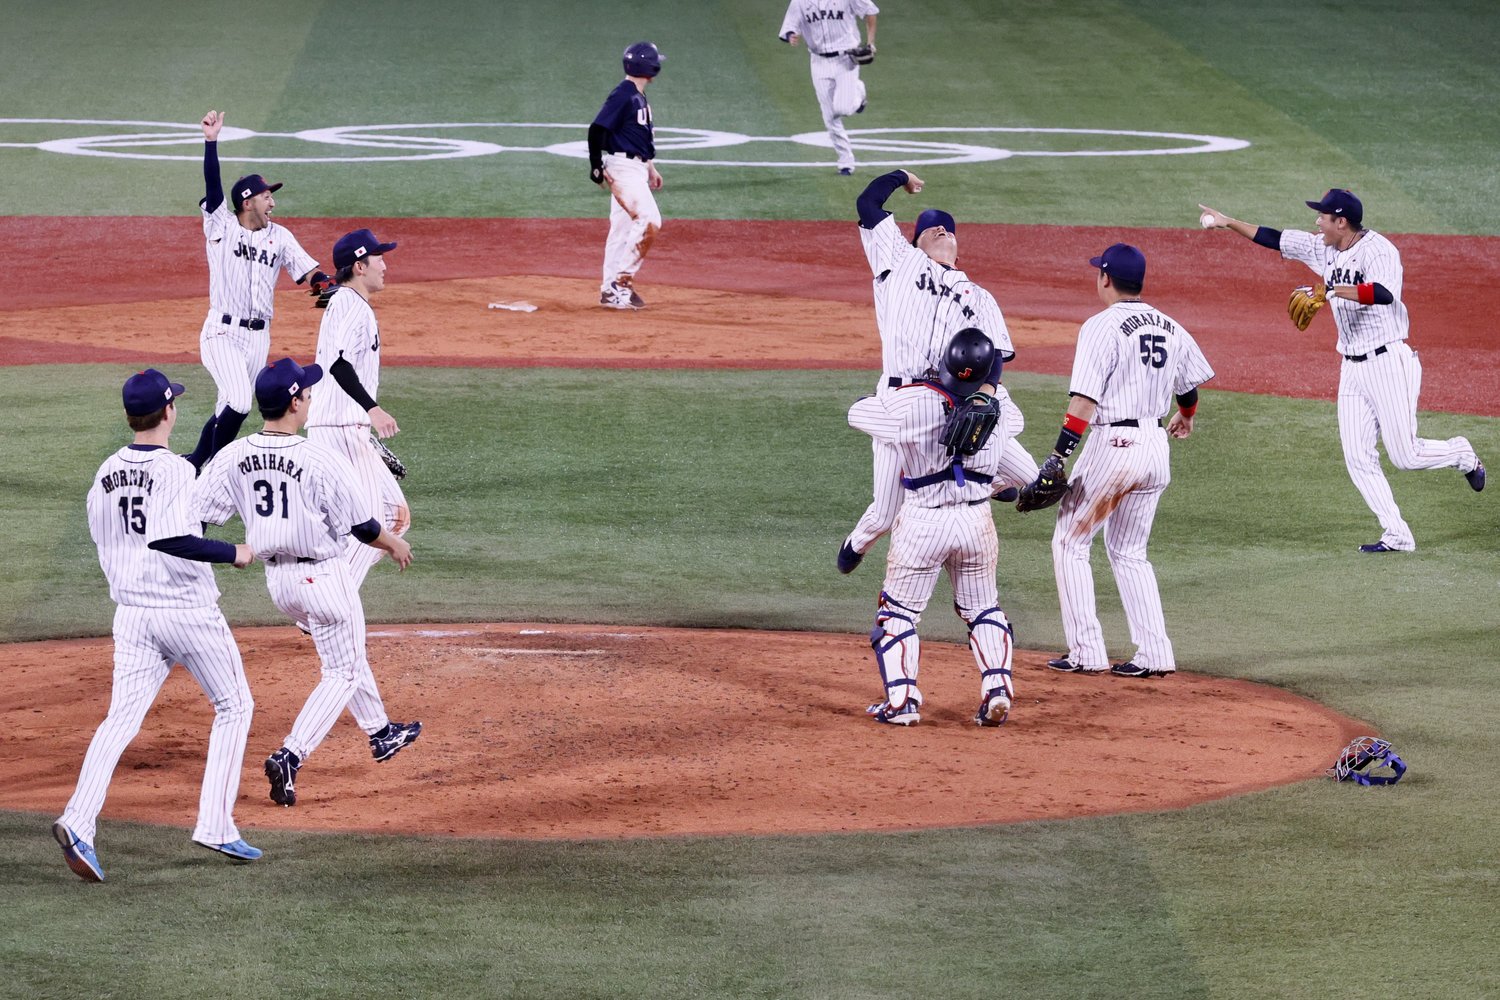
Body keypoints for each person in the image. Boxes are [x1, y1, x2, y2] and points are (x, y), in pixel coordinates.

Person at [53, 370, 259, 882]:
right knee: (235, 705)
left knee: (120, 720)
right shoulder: (176, 473)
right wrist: (234, 552)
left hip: (132, 616)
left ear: (130, 416)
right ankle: (214, 823)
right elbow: (170, 535)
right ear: (168, 412)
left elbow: (178, 475)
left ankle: (79, 821)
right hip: (186, 611)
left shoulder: (102, 475)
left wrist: (226, 419)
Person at [1199, 191, 1485, 552]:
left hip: (1389, 362)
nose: (1316, 221)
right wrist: (1228, 222)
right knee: (1357, 456)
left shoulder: (1380, 251)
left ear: (1342, 222)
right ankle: (1396, 533)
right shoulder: (1324, 247)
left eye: (1322, 216)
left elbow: (1382, 293)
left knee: (1405, 456)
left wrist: (1333, 289)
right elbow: (1275, 238)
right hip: (1351, 368)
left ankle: (1461, 453)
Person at [193, 358, 420, 808]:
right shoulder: (318, 457)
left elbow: (199, 515)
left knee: (345, 654)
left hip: (279, 585)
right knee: (342, 669)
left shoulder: (233, 455)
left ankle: (381, 732)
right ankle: (290, 755)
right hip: (324, 577)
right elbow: (362, 527)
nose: (312, 399)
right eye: (308, 394)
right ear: (295, 402)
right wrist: (393, 543)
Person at [837, 168, 1039, 574]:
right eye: (932, 228)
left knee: (1035, 479)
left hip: (955, 402)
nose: (943, 230)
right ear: (915, 240)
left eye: (949, 229)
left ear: (959, 249)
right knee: (885, 514)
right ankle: (856, 543)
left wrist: (986, 392)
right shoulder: (898, 259)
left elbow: (995, 355)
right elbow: (867, 204)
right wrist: (901, 177)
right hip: (901, 399)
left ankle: (996, 482)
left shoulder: (979, 296)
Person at [1036, 244, 1215, 678]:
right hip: (1156, 447)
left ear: (1105, 278)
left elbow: (1083, 401)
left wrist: (1058, 455)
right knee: (1130, 552)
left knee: (1070, 542)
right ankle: (1155, 654)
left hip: (1114, 446)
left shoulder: (1100, 327)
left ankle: (1086, 652)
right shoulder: (1172, 326)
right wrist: (1186, 417)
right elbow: (1188, 389)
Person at [850, 329, 1017, 727]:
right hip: (976, 519)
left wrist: (882, 403)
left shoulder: (911, 401)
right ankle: (997, 690)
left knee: (898, 614)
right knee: (984, 609)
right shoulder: (1004, 406)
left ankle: (902, 700)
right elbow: (1013, 445)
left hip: (924, 521)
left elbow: (857, 413)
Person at [187, 110, 332, 469]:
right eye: (267, 197)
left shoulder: (279, 236)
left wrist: (327, 286)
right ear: (248, 201)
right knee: (238, 402)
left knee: (227, 406)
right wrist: (211, 142)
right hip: (222, 331)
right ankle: (210, 469)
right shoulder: (221, 225)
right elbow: (212, 185)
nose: (273, 203)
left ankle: (194, 464)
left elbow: (308, 269)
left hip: (257, 339)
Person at [306, 229, 410, 593]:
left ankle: (326, 595)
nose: (385, 264)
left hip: (345, 427)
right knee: (382, 521)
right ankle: (329, 600)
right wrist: (373, 410)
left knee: (393, 518)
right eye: (379, 258)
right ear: (360, 266)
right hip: (339, 427)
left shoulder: (349, 303)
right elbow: (337, 363)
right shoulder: (349, 305)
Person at [588, 42, 665, 310]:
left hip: (636, 169)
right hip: (622, 170)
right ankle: (621, 284)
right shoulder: (624, 94)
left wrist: (650, 166)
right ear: (650, 67)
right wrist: (596, 166)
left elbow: (638, 136)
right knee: (649, 220)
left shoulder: (636, 94)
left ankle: (610, 290)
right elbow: (596, 130)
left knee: (621, 230)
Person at [779, 0, 879, 175]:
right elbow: (789, 26)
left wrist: (870, 43)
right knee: (829, 116)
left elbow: (870, 11)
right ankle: (846, 161)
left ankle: (859, 93)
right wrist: (791, 36)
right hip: (818, 63)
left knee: (843, 108)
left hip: (846, 58)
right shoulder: (800, 2)